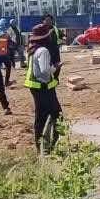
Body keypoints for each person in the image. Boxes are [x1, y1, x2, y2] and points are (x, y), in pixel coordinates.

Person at [24, 21, 63, 152]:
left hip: (36, 87)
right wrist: (56, 67)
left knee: (41, 117)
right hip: (43, 88)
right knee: (55, 115)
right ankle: (50, 145)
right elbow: (45, 71)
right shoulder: (43, 51)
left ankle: (41, 145)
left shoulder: (32, 49)